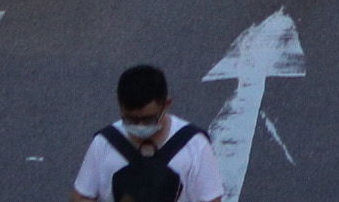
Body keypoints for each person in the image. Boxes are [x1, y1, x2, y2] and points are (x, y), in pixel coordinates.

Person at [72, 66, 228, 202]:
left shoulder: (195, 145)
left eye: (148, 119)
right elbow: (81, 197)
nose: (139, 125)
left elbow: (211, 199)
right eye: (131, 119)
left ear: (166, 105)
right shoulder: (104, 143)